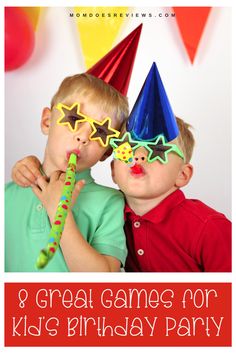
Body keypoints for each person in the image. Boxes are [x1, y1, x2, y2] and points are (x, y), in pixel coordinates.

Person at [110, 62, 231, 272]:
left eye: (157, 151)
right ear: (113, 170)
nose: (138, 157)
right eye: (127, 148)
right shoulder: (107, 217)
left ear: (182, 175)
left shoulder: (209, 227)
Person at [6, 73, 130, 272]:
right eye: (73, 118)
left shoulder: (110, 202)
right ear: (47, 121)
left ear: (106, 152)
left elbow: (103, 283)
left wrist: (59, 213)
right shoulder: (8, 195)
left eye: (100, 132)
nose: (83, 137)